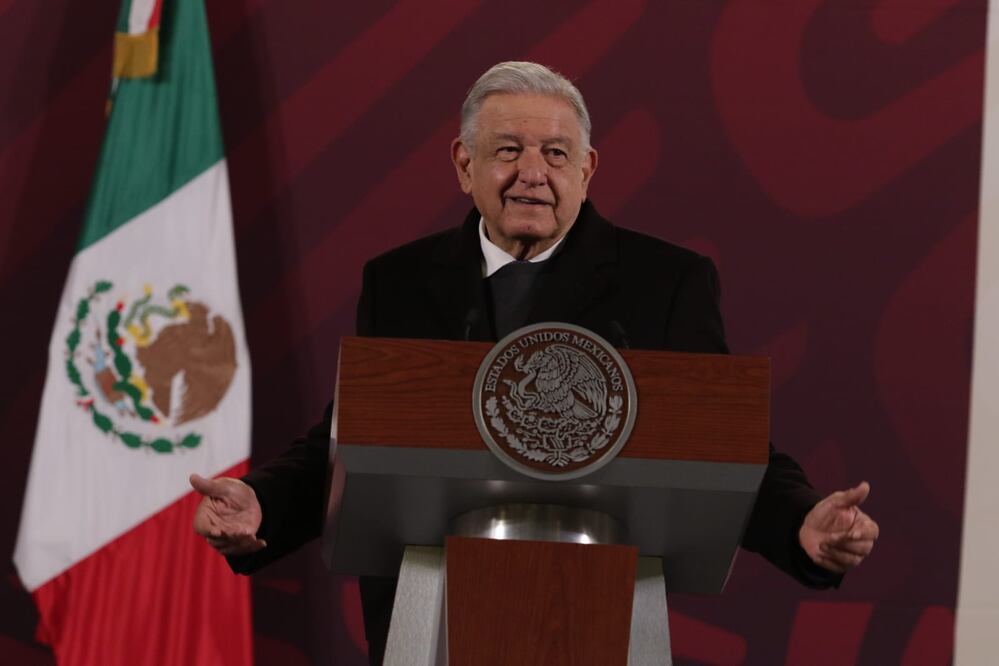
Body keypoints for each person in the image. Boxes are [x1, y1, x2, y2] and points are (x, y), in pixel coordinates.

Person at [191, 61, 880, 663]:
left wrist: (800, 523)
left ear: (586, 169)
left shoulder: (663, 281)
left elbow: (720, 447)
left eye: (555, 153)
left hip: (592, 616)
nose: (532, 174)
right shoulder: (401, 281)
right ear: (464, 164)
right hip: (429, 623)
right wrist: (264, 502)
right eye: (508, 150)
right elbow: (354, 438)